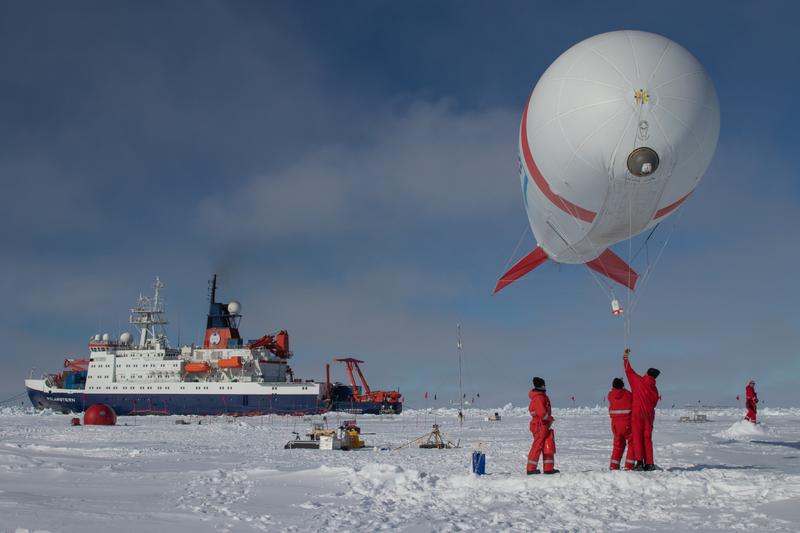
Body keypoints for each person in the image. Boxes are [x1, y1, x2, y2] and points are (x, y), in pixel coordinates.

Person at [623, 349, 660, 471]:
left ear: (647, 373)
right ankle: (649, 463)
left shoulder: (638, 381)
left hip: (637, 414)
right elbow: (654, 403)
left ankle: (639, 463)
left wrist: (625, 358)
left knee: (637, 438)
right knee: (647, 439)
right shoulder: (654, 389)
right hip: (649, 416)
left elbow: (628, 371)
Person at [527, 377, 558, 475]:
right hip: (539, 426)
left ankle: (548, 468)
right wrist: (549, 418)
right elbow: (542, 413)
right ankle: (531, 469)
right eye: (544, 384)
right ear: (541, 385)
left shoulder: (541, 396)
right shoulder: (538, 397)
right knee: (537, 446)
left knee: (548, 446)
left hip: (544, 425)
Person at [608, 377, 634, 470]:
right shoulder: (628, 394)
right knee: (632, 444)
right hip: (627, 424)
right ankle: (629, 466)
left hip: (615, 426)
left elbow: (614, 392)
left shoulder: (610, 395)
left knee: (617, 445)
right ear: (622, 385)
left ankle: (613, 465)